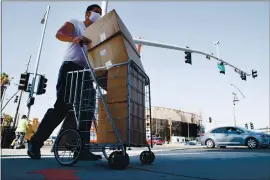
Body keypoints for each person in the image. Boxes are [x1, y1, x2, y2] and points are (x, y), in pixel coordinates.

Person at [27, 4, 103, 160]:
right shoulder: (76, 23)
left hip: (85, 72)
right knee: (62, 106)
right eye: (96, 12)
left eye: (100, 14)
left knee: (87, 110)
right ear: (88, 14)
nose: (99, 16)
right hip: (70, 68)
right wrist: (76, 38)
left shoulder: (96, 35)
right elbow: (60, 34)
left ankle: (81, 149)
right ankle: (35, 142)